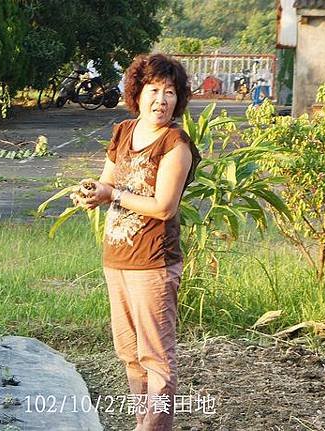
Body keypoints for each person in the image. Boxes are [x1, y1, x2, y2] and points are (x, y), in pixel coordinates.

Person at [76, 53, 201, 430]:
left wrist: (111, 195)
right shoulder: (124, 131)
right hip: (117, 259)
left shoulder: (175, 144)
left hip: (154, 263)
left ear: (178, 99)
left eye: (169, 92)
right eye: (153, 90)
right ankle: (141, 422)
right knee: (130, 354)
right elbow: (108, 181)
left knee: (156, 358)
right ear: (137, 92)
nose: (161, 100)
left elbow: (164, 207)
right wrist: (91, 193)